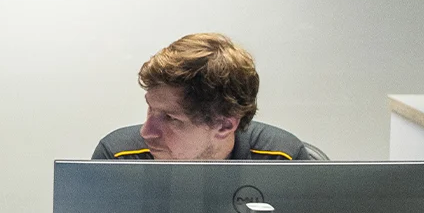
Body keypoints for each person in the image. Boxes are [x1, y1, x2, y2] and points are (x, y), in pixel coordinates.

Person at [93, 32, 318, 161]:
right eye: (151, 109)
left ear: (224, 125)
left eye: (172, 119)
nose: (146, 131)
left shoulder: (281, 160)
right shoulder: (118, 158)